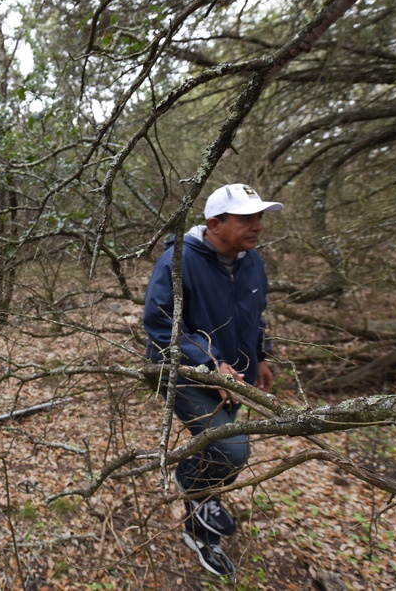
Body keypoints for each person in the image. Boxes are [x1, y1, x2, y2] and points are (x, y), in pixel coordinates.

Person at [142, 183, 283, 577]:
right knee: (231, 452)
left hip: (235, 375)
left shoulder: (250, 260)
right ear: (215, 223)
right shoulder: (178, 261)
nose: (257, 226)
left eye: (259, 217)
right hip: (183, 374)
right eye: (246, 218)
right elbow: (159, 324)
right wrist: (210, 364)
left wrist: (262, 357)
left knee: (219, 453)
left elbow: (255, 313)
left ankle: (199, 526)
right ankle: (190, 483)